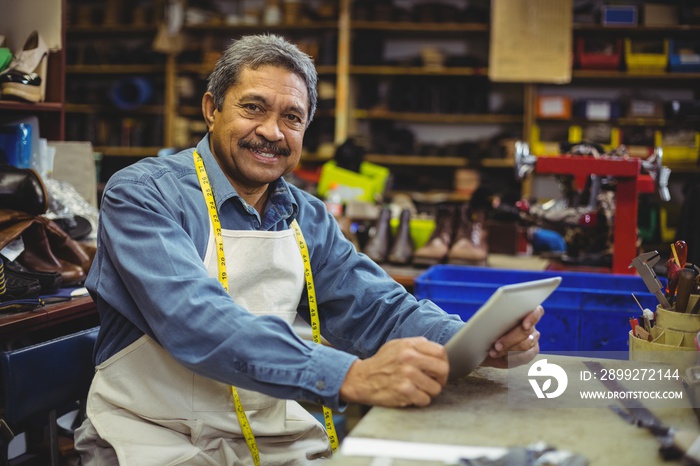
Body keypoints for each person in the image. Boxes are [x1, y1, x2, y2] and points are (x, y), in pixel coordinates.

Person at [74, 34, 544, 465]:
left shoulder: (306, 215)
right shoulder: (143, 194)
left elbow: (377, 309)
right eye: (253, 108)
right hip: (151, 437)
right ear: (211, 108)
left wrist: (471, 341)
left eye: (291, 118)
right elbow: (196, 320)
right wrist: (346, 377)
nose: (273, 132)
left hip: (265, 437)